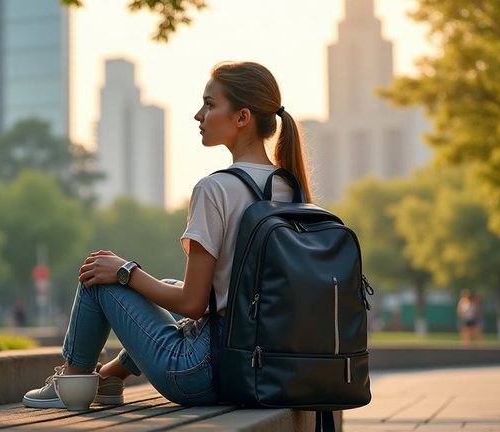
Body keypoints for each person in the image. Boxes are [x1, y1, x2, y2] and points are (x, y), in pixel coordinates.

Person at [22, 61, 309, 408]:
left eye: (210, 104)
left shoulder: (216, 188)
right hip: (264, 369)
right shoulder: (291, 189)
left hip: (202, 373)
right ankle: (109, 378)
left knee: (100, 273)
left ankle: (72, 382)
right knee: (171, 283)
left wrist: (125, 271)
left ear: (242, 117)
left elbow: (193, 303)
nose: (198, 115)